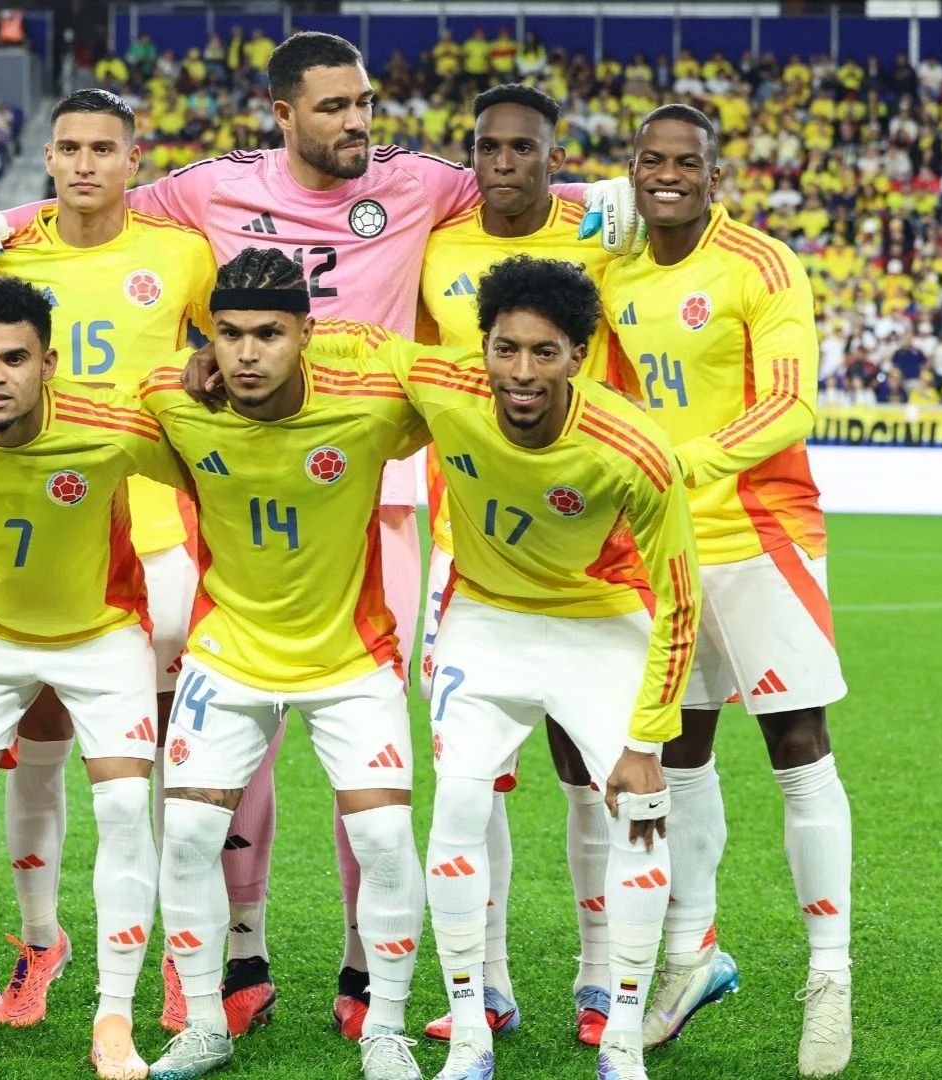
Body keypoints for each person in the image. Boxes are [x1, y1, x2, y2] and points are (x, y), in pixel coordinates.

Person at [0, 32, 635, 1032]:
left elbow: (520, 183)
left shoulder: (420, 184)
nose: (358, 123)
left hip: (374, 490)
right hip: (242, 485)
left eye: (364, 103)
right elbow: (96, 206)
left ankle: (359, 967)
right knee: (233, 743)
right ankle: (235, 963)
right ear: (282, 114)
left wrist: (607, 194)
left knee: (362, 743)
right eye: (334, 107)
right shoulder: (210, 190)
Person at [330, 256, 699, 1080]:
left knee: (640, 812)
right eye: (505, 349)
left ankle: (625, 1037)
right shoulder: (445, 382)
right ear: (484, 346)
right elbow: (352, 340)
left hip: (600, 627)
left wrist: (648, 736)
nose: (521, 372)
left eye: (543, 352)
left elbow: (680, 602)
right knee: (457, 805)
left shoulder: (634, 448)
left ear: (579, 355)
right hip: (484, 624)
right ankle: (470, 1032)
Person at [594, 105, 853, 1078]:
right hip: (660, 542)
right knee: (679, 748)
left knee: (796, 743)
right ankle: (692, 952)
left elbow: (792, 401)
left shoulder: (761, 264)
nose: (668, 176)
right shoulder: (612, 269)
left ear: (713, 172)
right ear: (633, 170)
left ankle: (830, 974)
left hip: (761, 532)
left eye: (686, 162)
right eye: (651, 161)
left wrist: (691, 456)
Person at [0, 276, 186, 1078]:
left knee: (125, 806)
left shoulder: (111, 424)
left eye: (14, 358)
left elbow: (211, 468)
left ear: (48, 361)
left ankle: (114, 1018)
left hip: (104, 631)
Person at [141, 248, 429, 1080]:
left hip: (349, 653)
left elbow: (450, 388)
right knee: (190, 831)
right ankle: (203, 1023)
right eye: (228, 334)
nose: (246, 352)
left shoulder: (370, 408)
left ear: (305, 333)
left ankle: (388, 1027)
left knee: (381, 834)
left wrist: (352, 344)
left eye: (270, 333)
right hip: (230, 650)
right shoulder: (175, 399)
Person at [0, 88, 217, 1032]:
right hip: (43, 543)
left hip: (157, 536)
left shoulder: (180, 254)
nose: (83, 163)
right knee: (37, 753)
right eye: (67, 146)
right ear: (47, 158)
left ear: (132, 158)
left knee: (158, 762)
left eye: (102, 148)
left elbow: (242, 343)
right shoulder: (4, 255)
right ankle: (43, 942)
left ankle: (165, 953)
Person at [412, 82, 621, 1048]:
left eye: (522, 148)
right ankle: (486, 981)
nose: (503, 163)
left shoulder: (600, 231)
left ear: (552, 155)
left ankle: (595, 976)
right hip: (467, 556)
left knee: (590, 776)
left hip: (585, 552)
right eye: (488, 147)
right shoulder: (439, 245)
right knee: (473, 777)